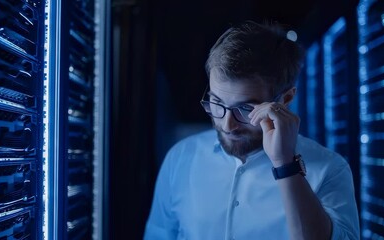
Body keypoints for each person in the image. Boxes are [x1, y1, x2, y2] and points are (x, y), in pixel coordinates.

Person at [144, 21, 360, 240]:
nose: (227, 125)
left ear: (285, 99)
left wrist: (286, 165)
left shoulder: (330, 170)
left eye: (245, 109)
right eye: (216, 103)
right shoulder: (181, 158)